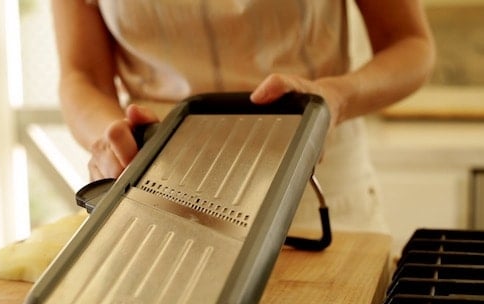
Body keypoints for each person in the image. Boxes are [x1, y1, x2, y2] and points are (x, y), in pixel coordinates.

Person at [50, 0, 435, 233]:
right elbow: (82, 75)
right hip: (159, 195)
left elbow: (410, 44)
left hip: (317, 190)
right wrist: (109, 137)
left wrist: (336, 98)